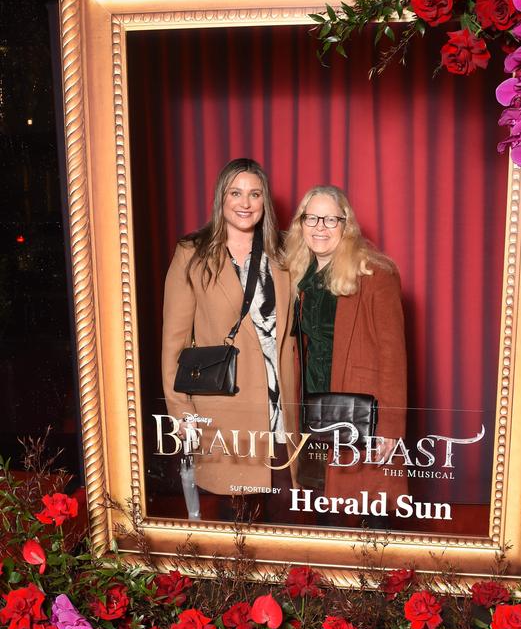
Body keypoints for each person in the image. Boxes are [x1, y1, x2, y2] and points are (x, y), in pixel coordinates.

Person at [161, 158, 296, 522]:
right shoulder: (192, 254)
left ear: (265, 201)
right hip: (224, 407)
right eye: (236, 193)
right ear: (221, 198)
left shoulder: (283, 255)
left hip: (281, 406)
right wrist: (181, 412)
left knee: (285, 514)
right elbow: (174, 342)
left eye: (255, 194)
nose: (245, 203)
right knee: (235, 516)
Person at [284, 185, 407, 522]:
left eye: (330, 219)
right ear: (300, 224)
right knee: (325, 512)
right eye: (312, 218)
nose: (320, 227)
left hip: (360, 412)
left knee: (372, 514)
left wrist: (391, 430)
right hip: (313, 409)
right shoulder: (296, 275)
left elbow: (393, 358)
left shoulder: (375, 274)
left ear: (346, 225)